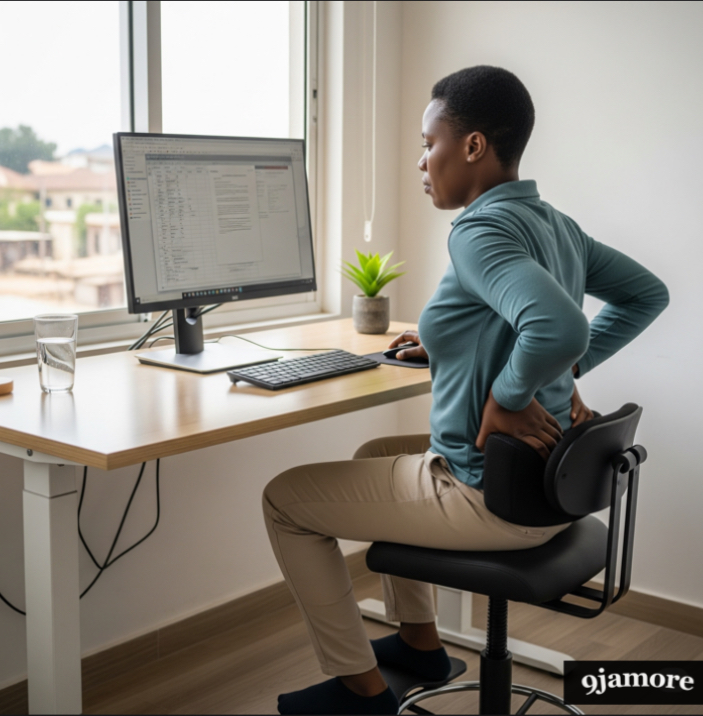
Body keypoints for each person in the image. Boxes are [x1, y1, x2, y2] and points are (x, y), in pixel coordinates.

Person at [262, 66, 669, 715]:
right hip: (546, 487)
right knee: (373, 453)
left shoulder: (478, 231)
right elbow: (642, 295)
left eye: (429, 143)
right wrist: (504, 360)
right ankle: (420, 645)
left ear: (473, 146)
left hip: (487, 497)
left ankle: (357, 691)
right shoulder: (554, 224)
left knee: (284, 499)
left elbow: (555, 324)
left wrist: (506, 397)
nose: (422, 162)